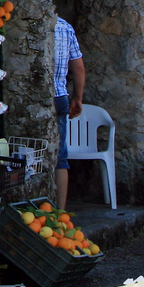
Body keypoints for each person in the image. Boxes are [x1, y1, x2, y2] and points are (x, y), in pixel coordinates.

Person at [54, 13, 86, 210]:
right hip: (59, 96)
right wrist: (77, 97)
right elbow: (78, 67)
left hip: (47, 94)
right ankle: (60, 211)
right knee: (60, 157)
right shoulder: (65, 27)